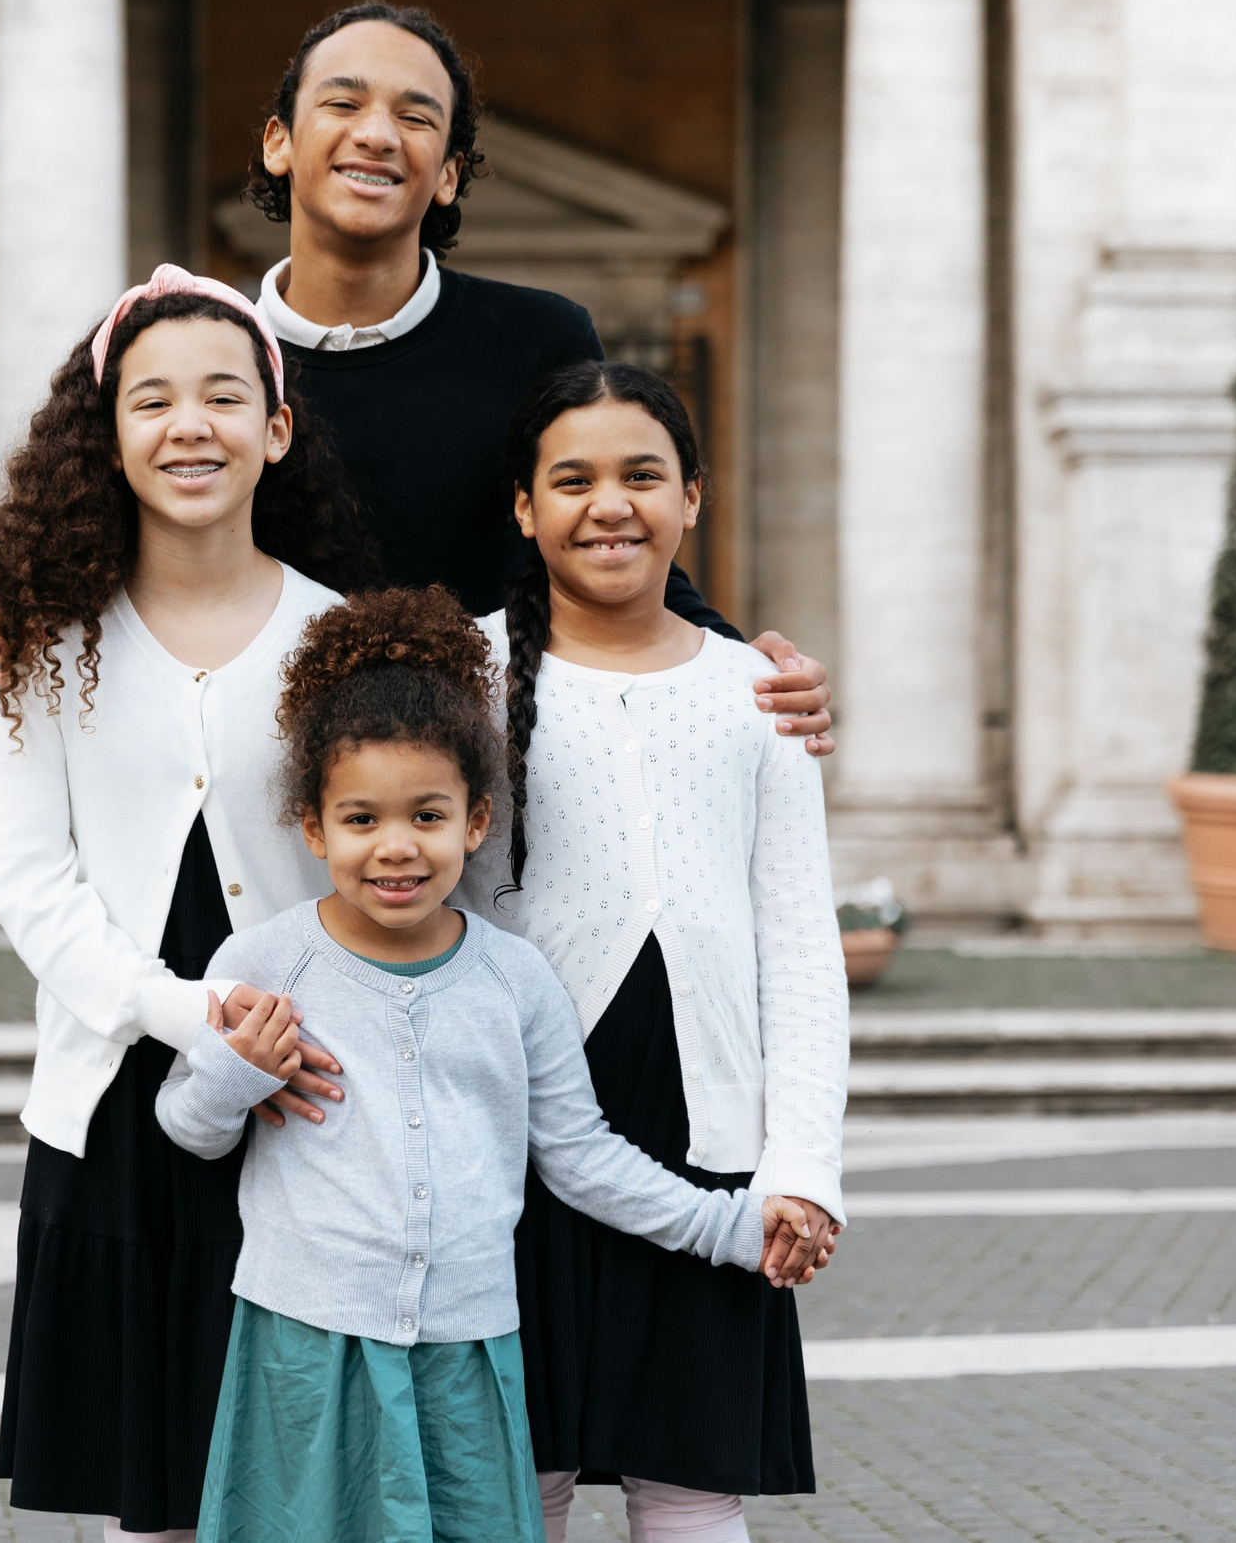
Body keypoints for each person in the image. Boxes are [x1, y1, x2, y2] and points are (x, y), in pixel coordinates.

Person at [0, 0, 835, 755]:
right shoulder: (206, 359)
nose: (377, 133)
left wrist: (737, 661)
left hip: (488, 771)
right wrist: (22, 611)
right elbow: (108, 532)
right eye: (341, 103)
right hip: (260, 766)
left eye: (418, 119)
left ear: (449, 173)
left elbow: (602, 537)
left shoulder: (541, 335)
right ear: (279, 142)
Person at [155, 587, 821, 1543]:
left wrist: (728, 1225)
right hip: (303, 1344)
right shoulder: (264, 962)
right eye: (360, 819)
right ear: (312, 828)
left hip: (469, 1352)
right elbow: (190, 1126)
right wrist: (236, 1071)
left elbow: (580, 1153)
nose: (396, 846)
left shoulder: (515, 977)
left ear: (475, 824)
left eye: (428, 815)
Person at [0, 264, 377, 1540]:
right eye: (151, 401)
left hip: (313, 1100)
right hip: (115, 1113)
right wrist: (187, 1017)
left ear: (276, 428)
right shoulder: (43, 645)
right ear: (109, 437)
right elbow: (35, 888)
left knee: (308, 1484)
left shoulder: (347, 642)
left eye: (221, 395)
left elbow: (383, 872)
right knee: (147, 1501)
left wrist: (280, 1038)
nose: (187, 426)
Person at [464, 362, 851, 1543]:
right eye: (570, 480)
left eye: (642, 475)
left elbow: (798, 938)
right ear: (525, 509)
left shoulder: (759, 694)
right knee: (509, 1478)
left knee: (691, 1486)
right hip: (512, 1137)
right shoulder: (462, 676)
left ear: (694, 496)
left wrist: (803, 1165)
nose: (608, 505)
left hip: (709, 1137)